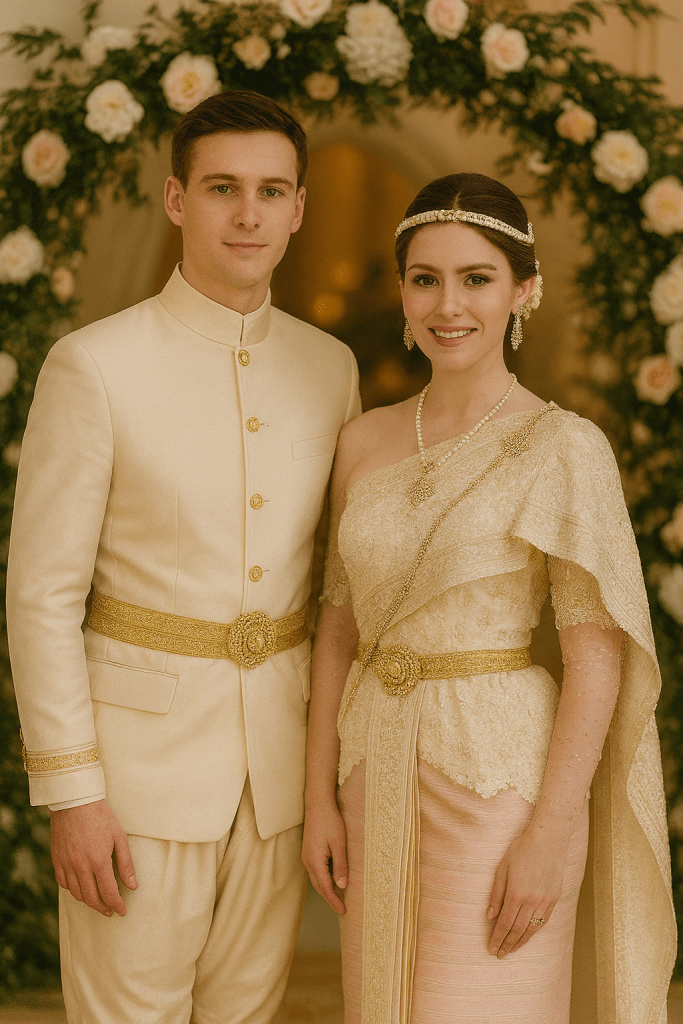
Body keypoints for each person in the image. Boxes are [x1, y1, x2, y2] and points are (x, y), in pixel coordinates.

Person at [7, 90, 361, 1023]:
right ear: (176, 201)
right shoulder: (95, 365)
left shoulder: (331, 369)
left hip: (276, 775)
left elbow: (337, 579)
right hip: (133, 781)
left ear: (296, 208)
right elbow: (41, 596)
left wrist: (328, 776)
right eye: (221, 188)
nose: (248, 213)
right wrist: (74, 793)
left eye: (271, 189)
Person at [302, 172, 675, 1024]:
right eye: (425, 278)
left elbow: (595, 655)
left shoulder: (562, 447)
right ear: (401, 291)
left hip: (499, 781)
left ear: (522, 291)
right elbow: (335, 628)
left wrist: (552, 832)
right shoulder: (362, 441)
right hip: (372, 767)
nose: (448, 304)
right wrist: (317, 798)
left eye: (476, 278)